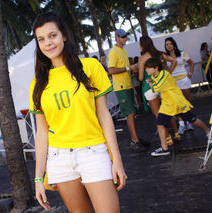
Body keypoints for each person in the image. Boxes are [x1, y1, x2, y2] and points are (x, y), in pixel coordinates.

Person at [30, 12, 126, 212]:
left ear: (64, 35)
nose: (48, 43)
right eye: (41, 39)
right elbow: (41, 132)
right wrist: (39, 178)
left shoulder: (90, 67)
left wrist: (116, 159)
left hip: (93, 152)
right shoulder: (37, 84)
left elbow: (104, 116)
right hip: (59, 158)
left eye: (52, 35)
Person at [144, 57, 212, 156]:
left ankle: (208, 131)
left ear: (156, 68)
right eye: (146, 68)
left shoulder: (164, 74)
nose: (146, 70)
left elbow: (156, 88)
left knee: (192, 120)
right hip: (167, 104)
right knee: (160, 124)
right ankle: (164, 148)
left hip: (177, 102)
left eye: (148, 68)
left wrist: (150, 83)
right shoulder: (154, 76)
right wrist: (151, 82)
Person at [108, 29, 150, 152]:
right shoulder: (113, 52)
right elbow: (110, 70)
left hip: (127, 85)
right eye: (122, 37)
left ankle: (136, 138)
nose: (125, 39)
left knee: (132, 113)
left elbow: (125, 69)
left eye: (125, 37)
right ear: (116, 37)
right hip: (121, 88)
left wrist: (132, 69)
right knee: (130, 114)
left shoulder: (123, 51)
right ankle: (134, 141)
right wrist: (128, 68)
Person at [138, 36, 180, 144]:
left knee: (158, 114)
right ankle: (176, 133)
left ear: (142, 45)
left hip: (150, 87)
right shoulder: (159, 54)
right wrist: (168, 74)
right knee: (169, 111)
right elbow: (174, 61)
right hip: (162, 85)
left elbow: (141, 78)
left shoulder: (142, 58)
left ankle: (168, 139)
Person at [165, 37, 195, 134]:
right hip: (173, 82)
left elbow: (191, 63)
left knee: (186, 101)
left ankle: (189, 121)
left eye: (170, 44)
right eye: (166, 44)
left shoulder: (182, 54)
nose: (169, 46)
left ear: (174, 44)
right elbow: (165, 70)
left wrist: (189, 74)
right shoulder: (165, 57)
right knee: (177, 103)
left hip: (184, 80)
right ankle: (182, 124)